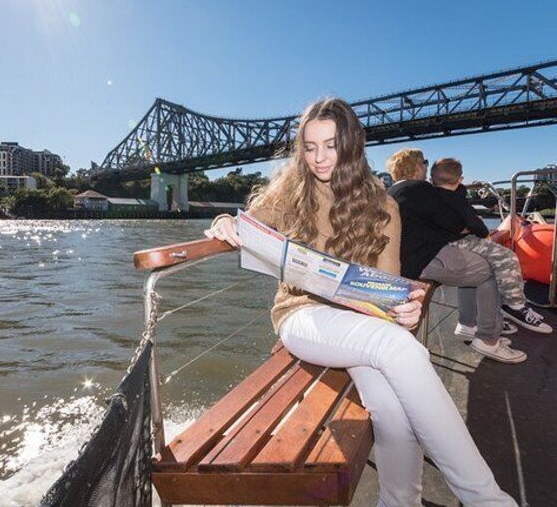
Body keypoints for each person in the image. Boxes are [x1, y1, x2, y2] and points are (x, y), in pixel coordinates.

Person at [207, 98, 516, 506]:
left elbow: (385, 284)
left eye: (331, 145)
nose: (318, 158)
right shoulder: (290, 190)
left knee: (394, 411)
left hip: (361, 322)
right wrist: (223, 223)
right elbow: (250, 222)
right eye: (310, 146)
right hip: (302, 316)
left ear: (353, 144)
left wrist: (401, 306)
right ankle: (487, 500)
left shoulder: (384, 205)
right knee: (398, 348)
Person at [386, 149, 526, 364]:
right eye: (424, 162)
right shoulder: (420, 189)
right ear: (416, 166)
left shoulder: (393, 191)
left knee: (475, 267)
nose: (426, 166)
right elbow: (453, 222)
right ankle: (488, 338)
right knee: (490, 268)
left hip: (404, 260)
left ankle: (468, 325)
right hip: (423, 260)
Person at [430, 157, 551, 334]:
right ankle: (515, 305)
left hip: (442, 243)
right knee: (507, 257)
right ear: (460, 179)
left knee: (488, 262)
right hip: (458, 242)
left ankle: (475, 320)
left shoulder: (429, 196)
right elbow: (475, 225)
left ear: (432, 179)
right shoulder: (457, 199)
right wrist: (485, 236)